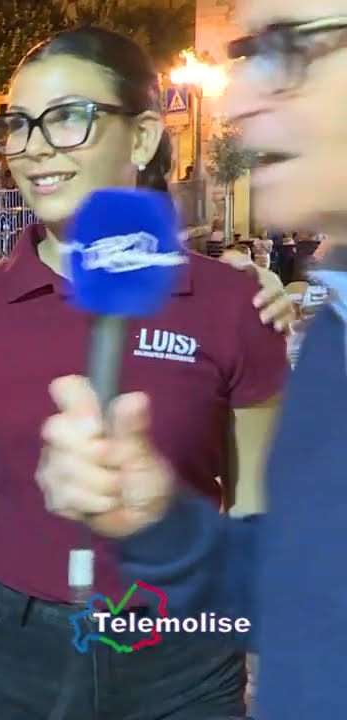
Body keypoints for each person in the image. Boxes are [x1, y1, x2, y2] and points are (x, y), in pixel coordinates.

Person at [0, 26, 293, 719]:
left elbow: (259, 513)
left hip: (181, 650)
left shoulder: (234, 304)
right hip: (9, 642)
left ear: (141, 138)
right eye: (17, 124)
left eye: (67, 117)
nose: (33, 146)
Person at [34, 0, 347, 716]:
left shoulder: (252, 308)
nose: (234, 103)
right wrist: (157, 523)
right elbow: (302, 593)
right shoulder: (333, 327)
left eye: (288, 46)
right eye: (247, 55)